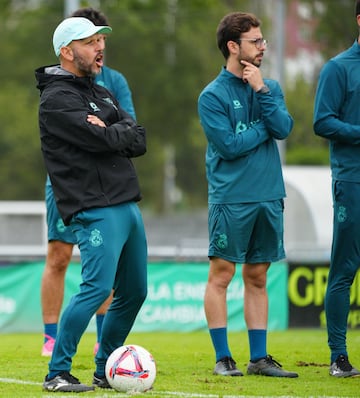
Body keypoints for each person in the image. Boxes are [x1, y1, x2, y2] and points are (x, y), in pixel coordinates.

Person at [36, 16, 148, 392]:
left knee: (135, 292)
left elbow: (139, 138)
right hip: (94, 206)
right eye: (90, 41)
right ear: (67, 52)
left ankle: (106, 369)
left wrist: (109, 130)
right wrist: (112, 132)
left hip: (127, 204)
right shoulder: (56, 99)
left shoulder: (102, 92)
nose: (100, 47)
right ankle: (57, 372)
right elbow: (100, 141)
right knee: (97, 288)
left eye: (101, 40)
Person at [198, 12, 298, 378]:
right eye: (255, 41)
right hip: (231, 199)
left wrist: (261, 91)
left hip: (269, 196)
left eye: (262, 39)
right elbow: (228, 146)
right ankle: (223, 357)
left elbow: (284, 128)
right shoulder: (212, 95)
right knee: (221, 276)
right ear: (232, 46)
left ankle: (259, 358)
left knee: (257, 277)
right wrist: (263, 129)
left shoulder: (268, 86)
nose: (263, 46)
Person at [313, 0, 360, 379]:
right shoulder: (338, 68)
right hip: (353, 180)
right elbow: (322, 120)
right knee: (344, 269)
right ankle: (339, 356)